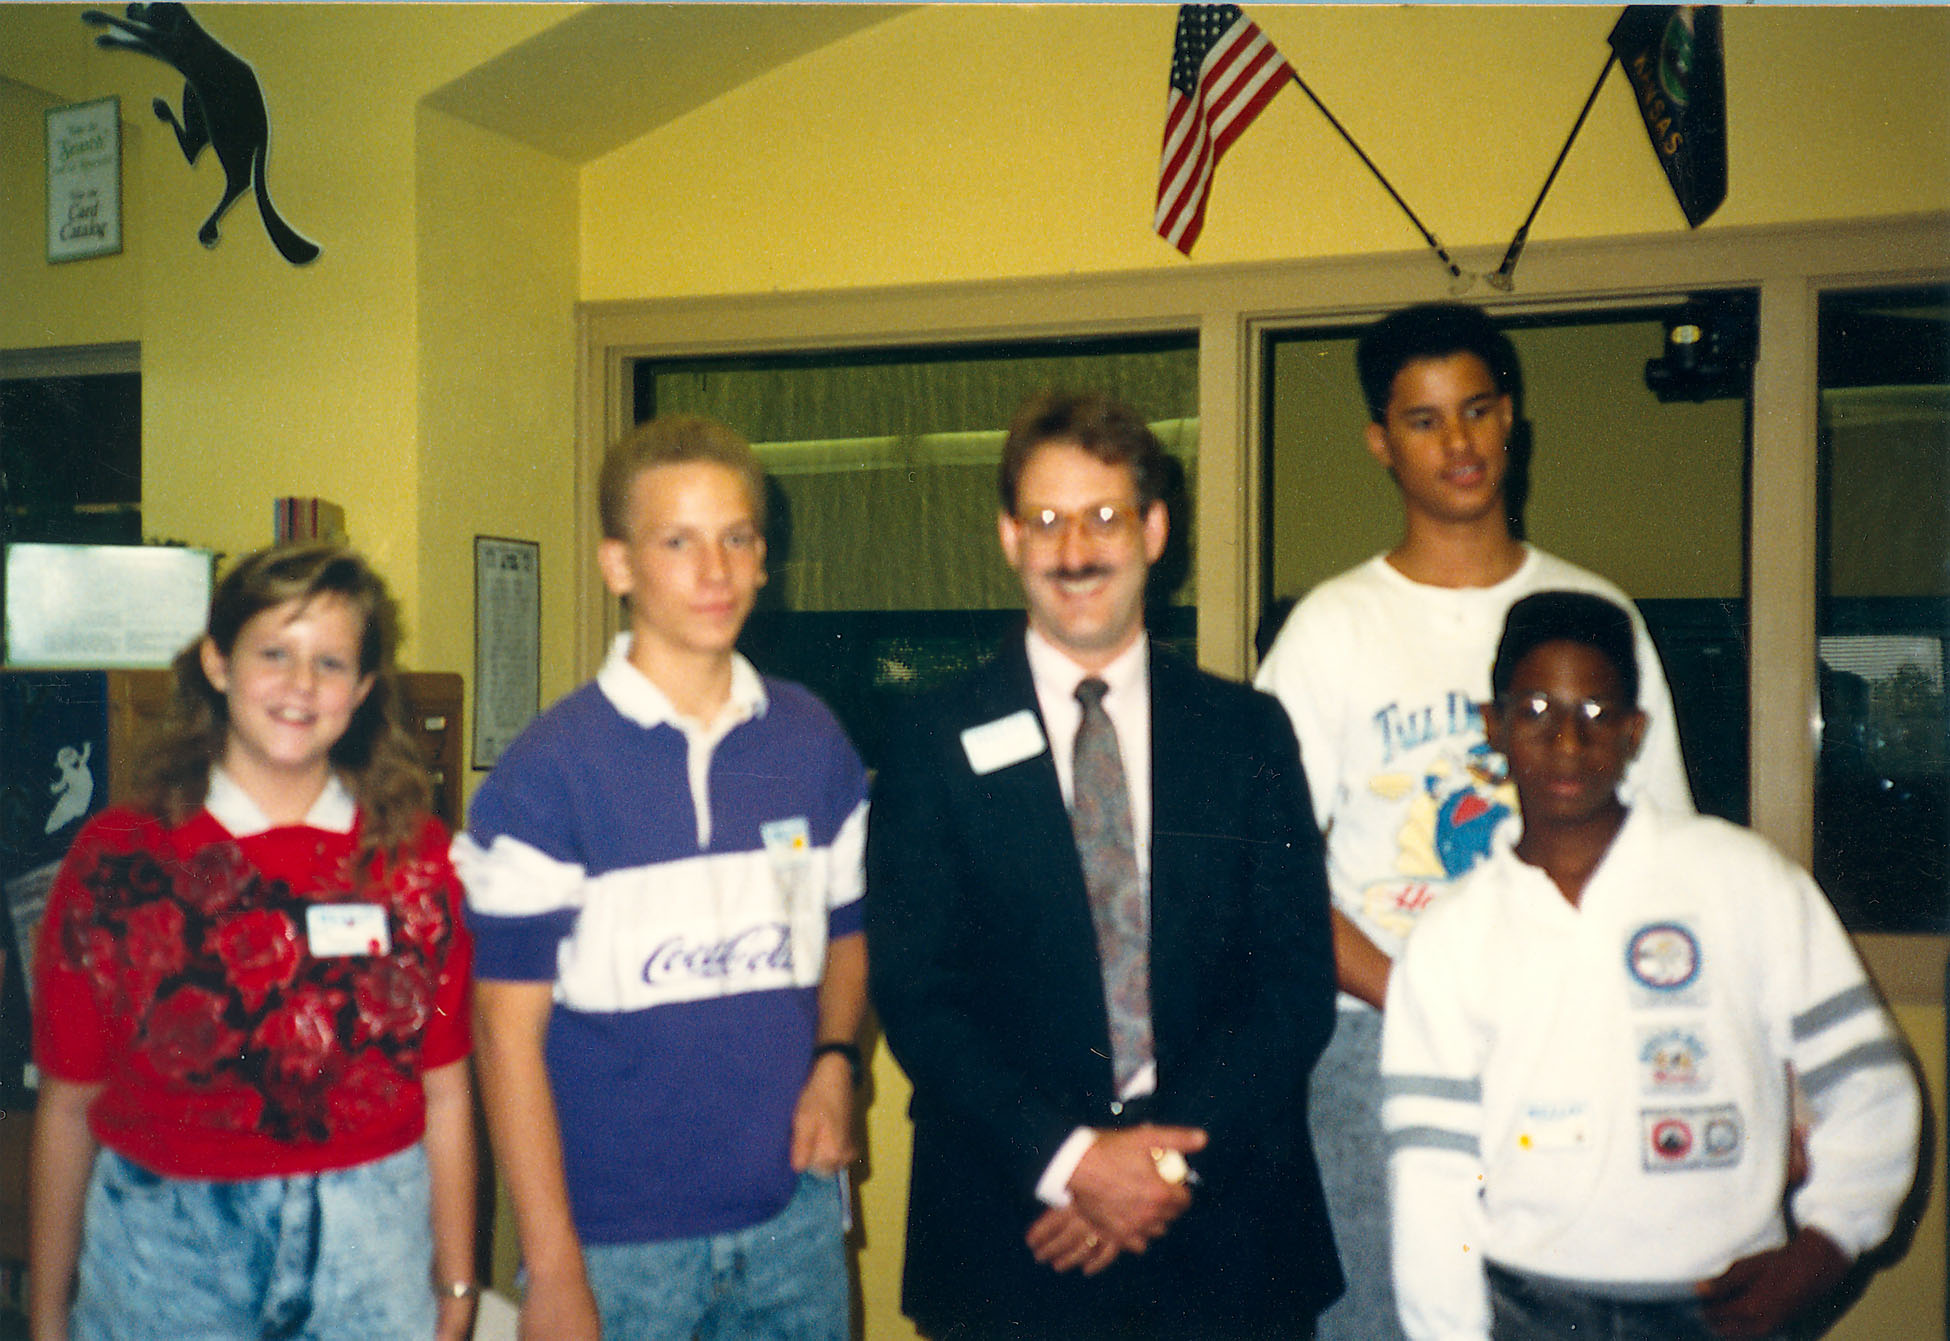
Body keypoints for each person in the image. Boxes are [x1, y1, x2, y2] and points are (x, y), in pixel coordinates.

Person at [1253, 301, 1695, 1341]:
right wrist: (1416, 1001)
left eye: (1478, 409)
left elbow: (1665, 859)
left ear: (1512, 418)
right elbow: (1265, 870)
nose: (1458, 442)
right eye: (1424, 420)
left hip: (1573, 1040)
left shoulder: (1597, 616)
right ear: (1381, 442)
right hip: (1378, 1048)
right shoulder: (1332, 629)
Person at [866, 390, 1342, 1339]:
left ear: (1154, 530)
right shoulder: (930, 740)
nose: (1074, 549)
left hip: (1228, 1230)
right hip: (1016, 1234)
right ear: (1009, 537)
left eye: (1104, 517)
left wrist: (1158, 1167)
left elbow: (1293, 984)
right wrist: (1074, 1162)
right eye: (1046, 520)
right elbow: (920, 993)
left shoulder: (1247, 733)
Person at [1382, 590, 1920, 1340]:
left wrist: (1828, 1242)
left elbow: (1869, 1082)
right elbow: (1432, 1179)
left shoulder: (1741, 880)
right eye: (1535, 710)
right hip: (1532, 1308)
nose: (1567, 739)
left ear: (1634, 730)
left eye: (1596, 711)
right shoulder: (1451, 937)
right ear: (1492, 727)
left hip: (1724, 1302)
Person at [457, 414, 868, 1340]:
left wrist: (835, 1061)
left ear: (763, 559)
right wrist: (552, 1266)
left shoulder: (813, 743)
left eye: (736, 537)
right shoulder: (547, 774)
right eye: (677, 541)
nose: (714, 570)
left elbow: (846, 934)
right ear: (619, 565)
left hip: (793, 1220)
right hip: (615, 1249)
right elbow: (504, 1033)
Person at [30, 543, 478, 1341]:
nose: (301, 683)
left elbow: (446, 1090)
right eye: (274, 652)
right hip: (164, 1253)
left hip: (372, 1248)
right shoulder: (118, 859)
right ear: (217, 662)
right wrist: (45, 1310)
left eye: (330, 661)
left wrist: (457, 1279)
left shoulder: (417, 861)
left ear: (363, 689)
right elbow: (68, 1103)